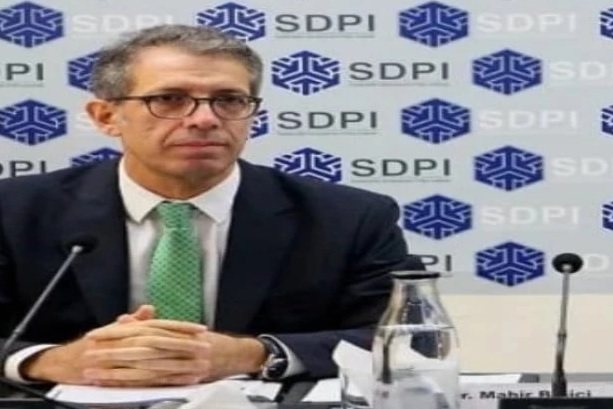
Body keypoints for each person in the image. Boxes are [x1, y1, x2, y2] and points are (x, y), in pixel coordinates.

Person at [0, 24, 422, 388]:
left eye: (229, 100)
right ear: (106, 117)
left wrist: (253, 354)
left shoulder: (349, 218)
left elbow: (409, 340)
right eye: (169, 99)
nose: (204, 119)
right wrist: (46, 362)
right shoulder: (14, 210)